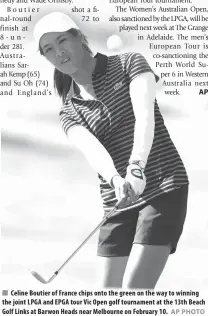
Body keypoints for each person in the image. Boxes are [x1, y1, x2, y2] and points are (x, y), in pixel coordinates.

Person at [33, 12, 189, 289]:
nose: (58, 52)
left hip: (163, 188)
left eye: (62, 41)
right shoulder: (69, 112)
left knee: (134, 293)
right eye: (49, 49)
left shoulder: (130, 63)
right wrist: (117, 179)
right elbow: (93, 152)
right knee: (107, 300)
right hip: (117, 202)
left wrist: (136, 165)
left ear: (78, 37)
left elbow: (145, 118)